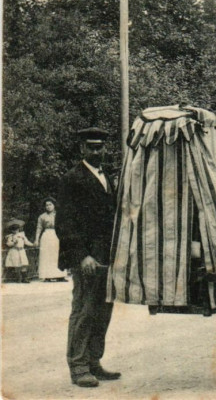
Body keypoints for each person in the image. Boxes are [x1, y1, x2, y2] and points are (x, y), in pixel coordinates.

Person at [56, 127, 120, 388]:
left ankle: (94, 361)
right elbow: (65, 223)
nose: (96, 151)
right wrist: (82, 256)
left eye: (100, 146)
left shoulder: (108, 177)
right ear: (82, 148)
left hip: (107, 256)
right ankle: (79, 366)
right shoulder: (72, 178)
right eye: (91, 146)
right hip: (87, 259)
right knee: (84, 310)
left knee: (103, 310)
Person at [34, 197, 67, 282]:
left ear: (54, 205)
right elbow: (39, 228)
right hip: (47, 236)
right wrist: (36, 239)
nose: (48, 206)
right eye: (46, 205)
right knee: (47, 256)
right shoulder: (42, 216)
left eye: (50, 204)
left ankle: (60, 275)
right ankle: (47, 276)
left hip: (57, 235)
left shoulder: (59, 215)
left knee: (57, 254)